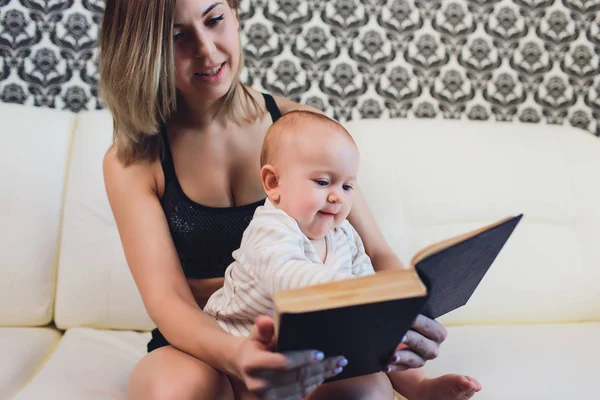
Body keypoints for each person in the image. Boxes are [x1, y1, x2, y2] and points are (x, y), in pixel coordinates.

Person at [99, 0, 479, 398]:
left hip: (311, 339)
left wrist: (402, 318)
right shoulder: (136, 160)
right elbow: (168, 300)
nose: (207, 50)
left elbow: (376, 252)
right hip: (202, 344)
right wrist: (237, 356)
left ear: (234, 11)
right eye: (177, 36)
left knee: (367, 392)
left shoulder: (301, 131)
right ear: (142, 48)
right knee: (180, 390)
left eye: (214, 20)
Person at [203, 110, 481, 399]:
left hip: (310, 338)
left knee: (383, 343)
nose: (337, 197)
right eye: (323, 182)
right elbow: (288, 279)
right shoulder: (269, 228)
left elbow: (363, 277)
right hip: (243, 348)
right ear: (274, 183)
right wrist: (360, 297)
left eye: (347, 186)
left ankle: (420, 388)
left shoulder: (344, 235)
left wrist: (388, 314)